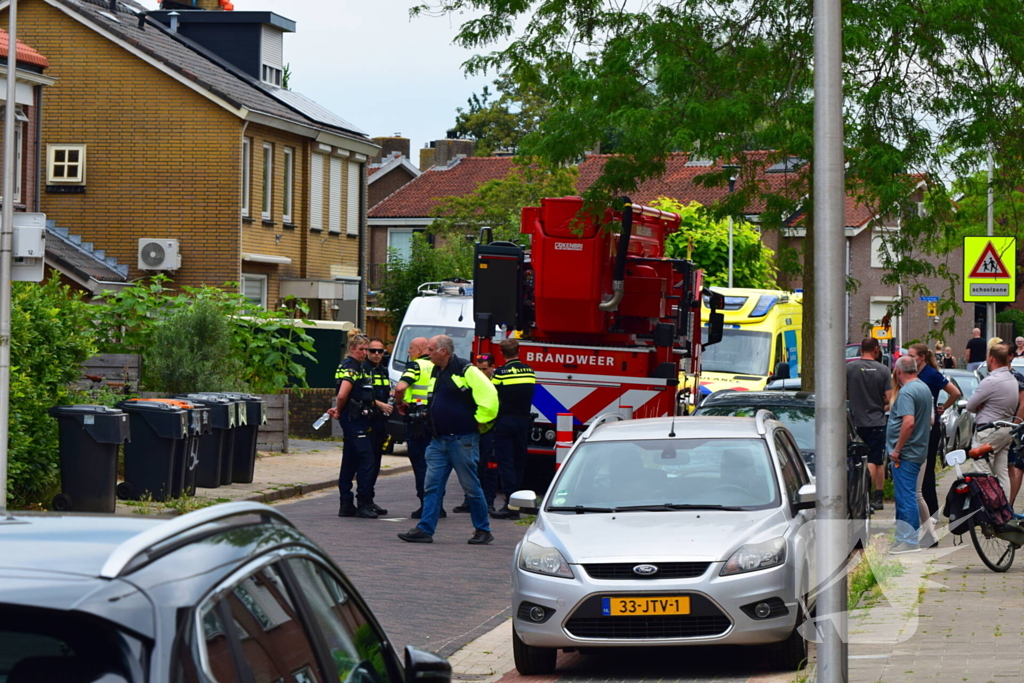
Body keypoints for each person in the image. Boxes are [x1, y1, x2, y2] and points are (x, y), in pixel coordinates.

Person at [398, 335, 499, 545]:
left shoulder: (465, 369)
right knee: (432, 486)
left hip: (461, 440)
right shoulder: (437, 370)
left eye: (432, 349)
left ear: (443, 352)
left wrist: (478, 422)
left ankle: (483, 529)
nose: (428, 353)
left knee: (471, 487)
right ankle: (425, 530)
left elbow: (489, 396)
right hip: (438, 440)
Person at [887, 356, 936, 554]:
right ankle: (902, 538)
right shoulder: (923, 387)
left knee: (907, 496)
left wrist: (897, 449)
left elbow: (908, 422)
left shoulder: (907, 391)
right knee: (904, 496)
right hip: (917, 450)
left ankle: (909, 540)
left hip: (906, 453)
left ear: (898, 371)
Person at [393, 337, 446, 519]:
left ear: (421, 348)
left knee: (420, 462)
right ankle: (439, 504)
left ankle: (427, 505)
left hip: (418, 421)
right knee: (438, 463)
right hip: (437, 420)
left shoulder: (416, 366)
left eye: (411, 348)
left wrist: (398, 403)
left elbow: (400, 388)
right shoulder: (440, 365)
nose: (409, 351)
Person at [906, 343, 961, 519]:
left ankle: (932, 511)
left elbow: (955, 392)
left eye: (913, 356)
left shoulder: (931, 374)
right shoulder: (914, 374)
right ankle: (923, 511)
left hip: (929, 427)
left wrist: (943, 407)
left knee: (927, 469)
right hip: (916, 425)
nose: (910, 359)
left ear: (922, 358)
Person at [328, 334, 378, 519]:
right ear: (352, 349)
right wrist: (339, 410)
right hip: (353, 418)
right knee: (367, 459)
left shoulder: (351, 365)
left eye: (367, 349)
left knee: (349, 460)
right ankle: (363, 503)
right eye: (361, 350)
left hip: (353, 418)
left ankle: (346, 504)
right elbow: (342, 395)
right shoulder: (351, 367)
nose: (365, 353)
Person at [490, 339, 537, 520]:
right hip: (523, 421)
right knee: (519, 462)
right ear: (519, 351)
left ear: (502, 353)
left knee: (506, 462)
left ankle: (511, 503)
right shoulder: (529, 371)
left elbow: (494, 396)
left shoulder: (500, 373)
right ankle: (519, 501)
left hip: (505, 421)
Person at [965, 342, 1019, 498]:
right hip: (1005, 429)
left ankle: (990, 507)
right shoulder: (1011, 379)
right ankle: (1004, 509)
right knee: (1002, 472)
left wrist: (981, 405)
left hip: (988, 430)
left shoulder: (990, 381)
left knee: (982, 469)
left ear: (992, 359)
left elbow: (970, 405)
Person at [847, 338, 892, 512]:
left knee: (858, 459)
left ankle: (861, 494)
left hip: (855, 422)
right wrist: (882, 406)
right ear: (875, 350)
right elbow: (890, 399)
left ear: (861, 350)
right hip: (876, 422)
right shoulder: (883, 370)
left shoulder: (850, 368)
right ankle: (875, 497)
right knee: (876, 460)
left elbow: (843, 392)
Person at [455, 353, 498, 513]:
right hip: (474, 430)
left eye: (484, 369)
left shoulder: (496, 384)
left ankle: (489, 502)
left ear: (492, 368)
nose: (481, 373)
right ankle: (468, 501)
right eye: (478, 369)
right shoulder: (472, 382)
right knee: (471, 466)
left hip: (490, 432)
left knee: (489, 468)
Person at [363, 337, 393, 516]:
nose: (376, 354)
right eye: (372, 351)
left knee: (376, 462)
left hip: (380, 421)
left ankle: (370, 500)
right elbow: (362, 395)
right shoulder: (363, 369)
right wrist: (379, 404)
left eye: (380, 351)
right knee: (367, 463)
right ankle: (363, 501)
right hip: (366, 421)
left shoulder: (383, 370)